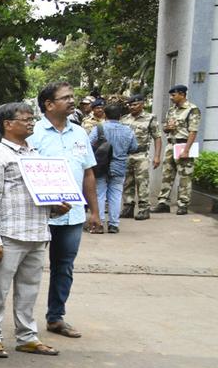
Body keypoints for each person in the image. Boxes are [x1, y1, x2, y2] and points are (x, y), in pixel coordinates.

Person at [0, 102, 70, 359]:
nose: (31, 123)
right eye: (26, 119)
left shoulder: (34, 154)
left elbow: (38, 195)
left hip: (37, 232)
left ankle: (27, 336)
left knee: (29, 289)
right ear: (8, 124)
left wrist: (55, 209)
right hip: (9, 235)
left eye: (32, 119)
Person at [29, 81, 103, 339]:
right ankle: (24, 322)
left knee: (64, 267)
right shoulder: (32, 132)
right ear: (49, 105)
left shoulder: (80, 133)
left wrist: (94, 212)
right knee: (30, 268)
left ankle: (56, 317)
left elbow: (88, 173)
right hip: (39, 214)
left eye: (73, 97)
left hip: (72, 215)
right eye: (66, 98)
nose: (73, 101)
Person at [89, 102, 138, 233]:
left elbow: (89, 145)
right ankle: (113, 225)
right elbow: (134, 148)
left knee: (100, 194)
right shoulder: (128, 130)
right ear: (120, 116)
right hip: (120, 166)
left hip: (100, 167)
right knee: (116, 195)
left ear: (105, 114)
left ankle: (99, 224)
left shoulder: (98, 129)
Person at [156, 84, 201, 215]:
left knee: (185, 176)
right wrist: (167, 128)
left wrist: (187, 150)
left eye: (173, 95)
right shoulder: (171, 111)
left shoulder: (192, 109)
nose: (171, 98)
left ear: (182, 94)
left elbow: (193, 131)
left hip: (184, 144)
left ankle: (183, 204)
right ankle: (163, 202)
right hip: (171, 144)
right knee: (167, 174)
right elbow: (165, 128)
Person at [120, 93, 162, 221]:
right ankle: (128, 207)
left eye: (135, 104)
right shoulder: (125, 119)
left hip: (141, 154)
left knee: (142, 182)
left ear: (142, 104)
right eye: (130, 105)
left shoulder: (150, 118)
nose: (132, 107)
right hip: (126, 154)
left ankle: (144, 208)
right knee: (127, 182)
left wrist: (157, 156)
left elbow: (157, 137)